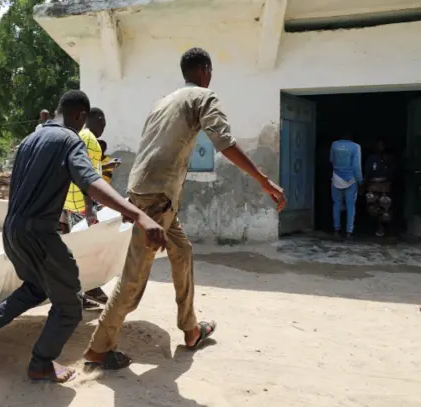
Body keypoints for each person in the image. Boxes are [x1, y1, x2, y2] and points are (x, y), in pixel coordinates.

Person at [83, 47, 286, 370]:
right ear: (205, 70)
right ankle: (99, 347)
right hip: (156, 199)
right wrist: (264, 180)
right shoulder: (204, 97)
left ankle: (191, 330)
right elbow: (224, 142)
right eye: (210, 72)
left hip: (149, 193)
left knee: (182, 252)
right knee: (133, 280)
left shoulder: (163, 101)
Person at [0, 90, 166, 383]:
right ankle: (41, 363)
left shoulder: (28, 141)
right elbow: (91, 182)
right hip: (39, 233)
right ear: (80, 116)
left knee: (35, 286)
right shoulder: (69, 139)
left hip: (13, 231)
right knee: (71, 302)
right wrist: (139, 215)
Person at [60, 107, 109, 307]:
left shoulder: (77, 136)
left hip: (72, 203)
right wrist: (90, 207)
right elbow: (85, 175)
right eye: (103, 122)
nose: (104, 127)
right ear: (97, 118)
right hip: (83, 205)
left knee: (79, 251)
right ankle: (90, 288)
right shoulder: (90, 140)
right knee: (90, 250)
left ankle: (81, 293)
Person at [330, 132, 362, 239]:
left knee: (337, 204)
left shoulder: (334, 145)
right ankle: (349, 232)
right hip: (350, 180)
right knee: (350, 206)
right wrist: (360, 180)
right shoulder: (355, 146)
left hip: (336, 178)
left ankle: (336, 230)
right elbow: (356, 166)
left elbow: (331, 160)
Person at [364, 138, 392, 237]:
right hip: (373, 185)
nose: (380, 147)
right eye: (379, 145)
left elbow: (391, 173)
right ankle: (374, 226)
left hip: (384, 186)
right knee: (372, 208)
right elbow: (367, 172)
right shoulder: (372, 158)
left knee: (384, 207)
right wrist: (364, 184)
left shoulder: (387, 158)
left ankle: (381, 227)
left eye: (382, 145)